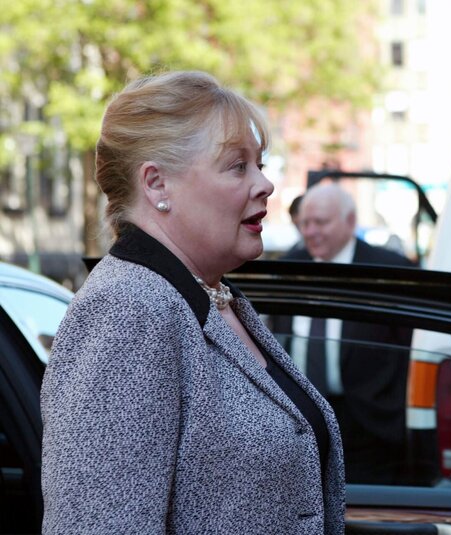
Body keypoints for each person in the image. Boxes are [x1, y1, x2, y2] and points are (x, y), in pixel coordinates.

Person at [40, 71, 345, 534]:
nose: (265, 184)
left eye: (259, 163)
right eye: (237, 166)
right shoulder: (128, 308)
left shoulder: (214, 296)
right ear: (157, 184)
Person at [270, 182, 415, 484]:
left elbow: (410, 349)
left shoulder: (387, 270)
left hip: (369, 424)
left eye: (320, 222)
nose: (310, 231)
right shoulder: (287, 269)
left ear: (350, 221)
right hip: (301, 420)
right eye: (305, 223)